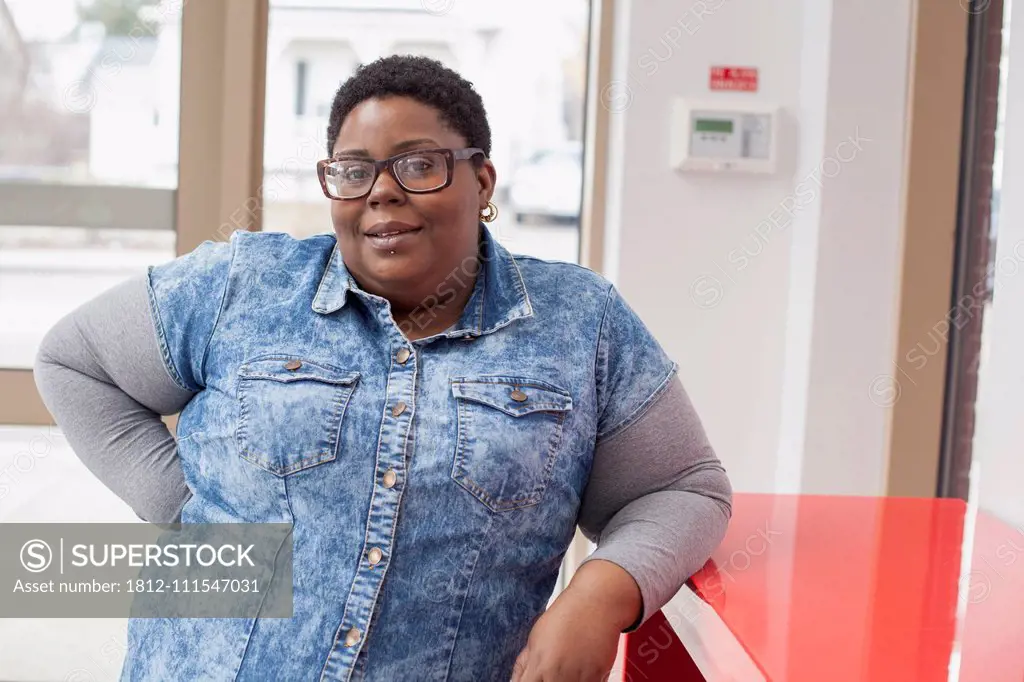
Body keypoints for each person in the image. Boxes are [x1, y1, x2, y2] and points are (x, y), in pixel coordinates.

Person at [34, 55, 732, 682]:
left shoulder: (581, 322)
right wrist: (189, 513)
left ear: (481, 179)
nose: (381, 191)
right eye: (353, 169)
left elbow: (683, 487)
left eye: (418, 164)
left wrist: (602, 593)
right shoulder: (243, 283)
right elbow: (74, 362)